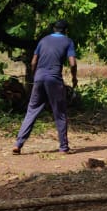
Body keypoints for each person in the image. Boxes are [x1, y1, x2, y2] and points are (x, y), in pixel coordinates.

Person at [13, 21, 78, 155]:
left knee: (32, 110)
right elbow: (72, 63)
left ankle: (18, 144)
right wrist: (74, 77)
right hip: (54, 79)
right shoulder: (68, 41)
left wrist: (35, 75)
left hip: (39, 78)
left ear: (54, 29)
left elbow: (33, 61)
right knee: (59, 113)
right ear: (65, 30)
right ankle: (63, 147)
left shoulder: (43, 40)